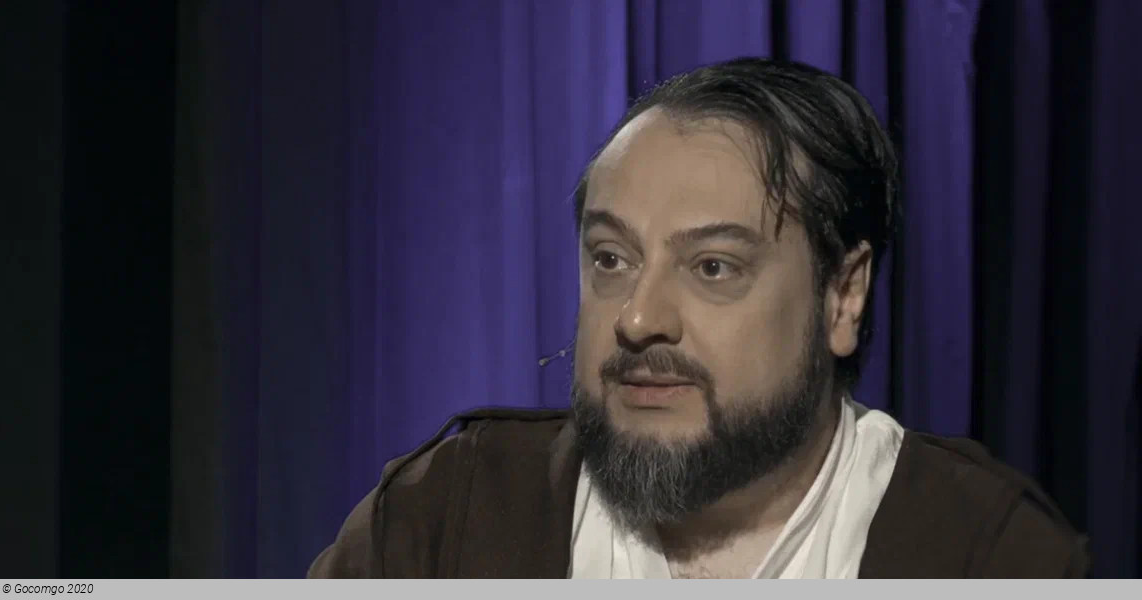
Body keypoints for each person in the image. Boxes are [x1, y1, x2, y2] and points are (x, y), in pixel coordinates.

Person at [308, 57, 1090, 579]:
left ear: (843, 295)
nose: (638, 318)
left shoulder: (990, 555)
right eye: (611, 259)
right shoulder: (440, 520)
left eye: (713, 267)